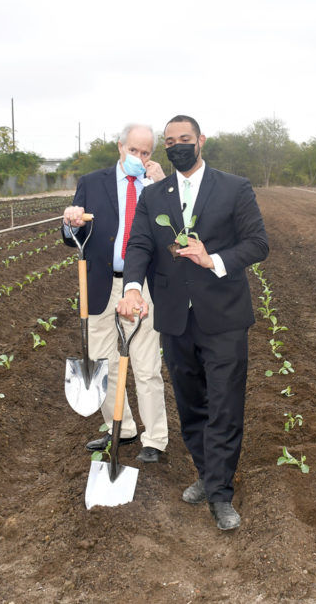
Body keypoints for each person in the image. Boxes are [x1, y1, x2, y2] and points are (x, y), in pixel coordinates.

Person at [117, 114, 268, 531]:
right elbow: (140, 243)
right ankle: (207, 473)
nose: (178, 145)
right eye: (170, 141)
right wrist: (132, 288)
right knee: (190, 403)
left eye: (185, 138)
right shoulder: (155, 194)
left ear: (201, 141)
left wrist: (212, 259)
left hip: (223, 316)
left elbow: (258, 243)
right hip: (174, 318)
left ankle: (221, 494)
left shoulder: (234, 188)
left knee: (224, 404)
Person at [62, 123, 169, 464]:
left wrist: (162, 184)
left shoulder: (158, 187)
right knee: (102, 360)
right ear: (120, 147)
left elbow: (174, 231)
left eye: (146, 152)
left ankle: (155, 439)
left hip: (142, 284)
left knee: (146, 363)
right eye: (134, 150)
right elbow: (71, 234)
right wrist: (71, 221)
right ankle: (119, 428)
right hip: (99, 283)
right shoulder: (92, 183)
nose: (139, 157)